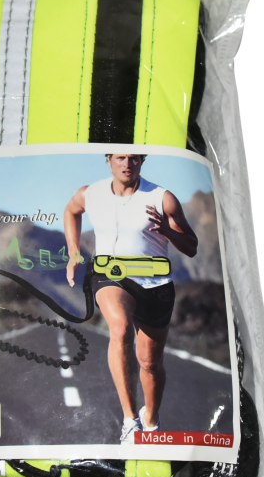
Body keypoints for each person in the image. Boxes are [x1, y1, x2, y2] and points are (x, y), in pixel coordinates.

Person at [64, 154, 198, 444]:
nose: (127, 164)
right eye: (121, 158)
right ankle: (130, 421)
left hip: (155, 284)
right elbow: (71, 211)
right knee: (121, 328)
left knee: (150, 362)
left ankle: (151, 419)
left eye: (134, 159)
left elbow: (191, 246)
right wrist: (74, 253)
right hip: (110, 275)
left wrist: (166, 230)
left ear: (142, 161)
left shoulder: (162, 198)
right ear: (109, 160)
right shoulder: (90, 193)